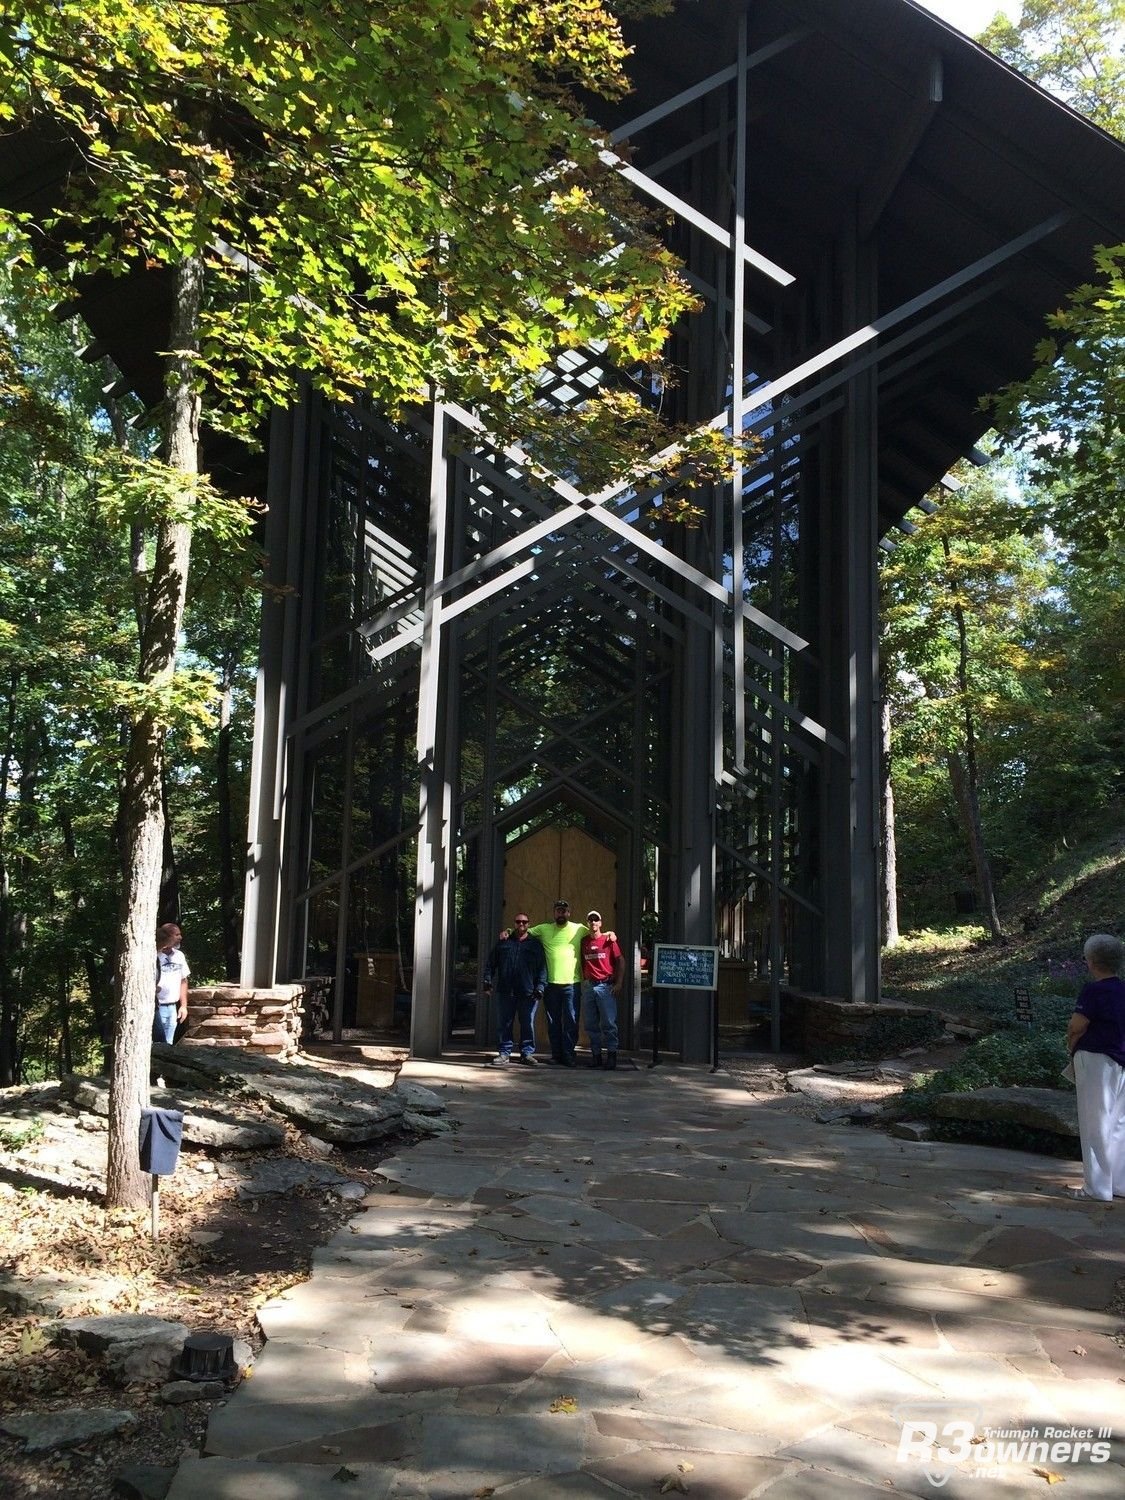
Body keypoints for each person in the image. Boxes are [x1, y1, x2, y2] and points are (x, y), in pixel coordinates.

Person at [1067, 932, 1125, 1201]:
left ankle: (1097, 1187)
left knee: (1095, 1121)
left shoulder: (1094, 990)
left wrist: (1071, 1045)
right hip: (1121, 1059)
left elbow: (1077, 1025)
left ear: (1091, 961)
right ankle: (1119, 1184)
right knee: (1118, 1123)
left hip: (1095, 1058)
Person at [529, 900, 588, 1067]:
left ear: (569, 913)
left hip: (572, 984)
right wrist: (508, 932)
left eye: (564, 911)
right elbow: (524, 932)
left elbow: (596, 933)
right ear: (554, 913)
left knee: (571, 1020)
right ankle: (556, 1054)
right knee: (553, 1021)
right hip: (551, 985)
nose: (561, 914)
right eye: (558, 911)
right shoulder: (543, 929)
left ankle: (568, 1055)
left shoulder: (579, 929)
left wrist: (611, 933)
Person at [483, 914, 546, 1066]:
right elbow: (491, 963)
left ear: (529, 924)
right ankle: (504, 1053)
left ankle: (527, 1053)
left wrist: (540, 987)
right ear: (515, 923)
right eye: (518, 922)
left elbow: (542, 969)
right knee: (504, 1023)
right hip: (506, 990)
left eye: (524, 922)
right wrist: (487, 981)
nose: (521, 924)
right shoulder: (504, 942)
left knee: (527, 1023)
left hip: (528, 992)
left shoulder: (535, 945)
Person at [580, 910, 623, 1069]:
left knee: (609, 1023)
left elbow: (620, 961)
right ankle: (596, 1056)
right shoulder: (583, 941)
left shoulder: (608, 940)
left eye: (596, 920)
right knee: (591, 1024)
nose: (593, 923)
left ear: (600, 923)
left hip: (605, 986)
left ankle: (611, 1056)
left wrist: (619, 983)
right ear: (587, 923)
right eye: (590, 920)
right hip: (590, 986)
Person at [154, 922, 189, 1045]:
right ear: (167, 937)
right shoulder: (153, 955)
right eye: (177, 935)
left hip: (172, 1007)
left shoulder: (179, 956)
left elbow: (183, 980)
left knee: (168, 1044)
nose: (180, 937)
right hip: (157, 1007)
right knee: (158, 1043)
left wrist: (183, 1006)